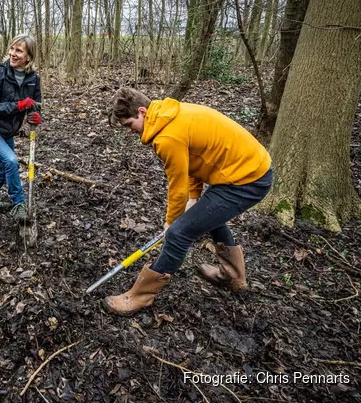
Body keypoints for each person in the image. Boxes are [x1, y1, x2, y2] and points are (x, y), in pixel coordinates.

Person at [104, 87, 273, 315]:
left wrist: (171, 222)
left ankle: (139, 297)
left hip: (247, 180)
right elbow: (194, 161)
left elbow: (177, 185)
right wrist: (194, 198)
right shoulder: (168, 115)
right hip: (242, 171)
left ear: (142, 112)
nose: (128, 131)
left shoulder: (167, 137)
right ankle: (233, 277)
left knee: (179, 233)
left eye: (128, 124)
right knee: (208, 216)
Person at [0, 34, 42, 222]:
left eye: (19, 50)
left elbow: (37, 105)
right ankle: (18, 203)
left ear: (29, 57)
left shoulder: (33, 79)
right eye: (12, 49)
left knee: (5, 167)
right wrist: (18, 106)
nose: (13, 54)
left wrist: (36, 117)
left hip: (8, 131)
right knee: (11, 161)